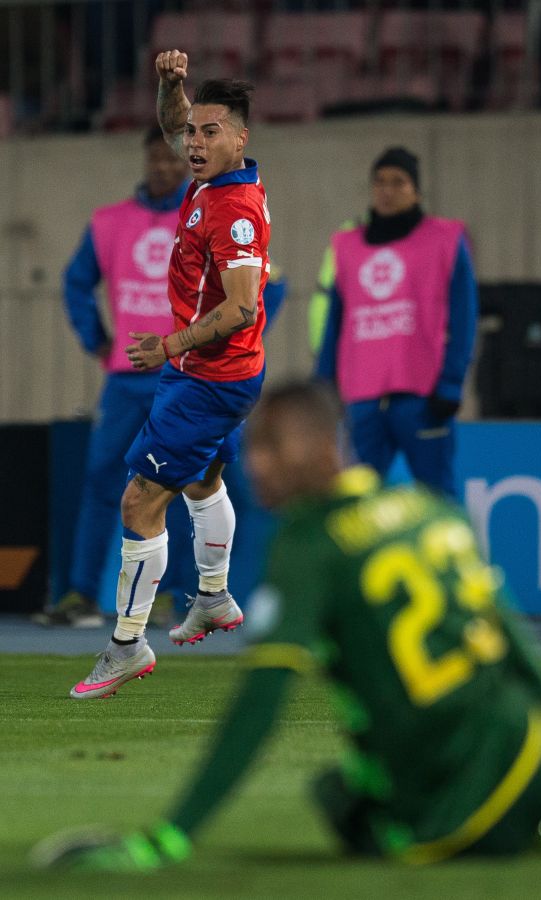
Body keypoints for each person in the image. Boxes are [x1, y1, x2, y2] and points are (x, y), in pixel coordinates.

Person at [34, 380, 541, 869]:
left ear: (326, 445)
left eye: (272, 447)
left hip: (459, 817)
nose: (255, 465)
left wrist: (168, 837)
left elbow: (261, 704)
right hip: (536, 755)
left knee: (341, 798)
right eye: (256, 448)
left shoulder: (309, 544)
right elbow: (520, 652)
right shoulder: (431, 509)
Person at [69, 50, 272, 700]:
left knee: (139, 500)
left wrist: (170, 344)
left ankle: (127, 643)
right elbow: (171, 123)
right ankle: (213, 597)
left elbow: (241, 305)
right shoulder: (209, 180)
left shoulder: (231, 210)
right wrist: (169, 85)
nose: (193, 141)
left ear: (241, 138)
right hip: (216, 373)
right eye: (193, 131)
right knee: (203, 477)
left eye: (210, 132)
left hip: (206, 373)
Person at [36, 126, 194, 629]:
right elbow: (76, 281)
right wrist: (96, 339)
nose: (165, 169)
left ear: (187, 163)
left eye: (174, 161)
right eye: (156, 159)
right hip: (126, 376)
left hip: (183, 375)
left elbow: (261, 286)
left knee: (188, 484)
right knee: (102, 480)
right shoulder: (110, 223)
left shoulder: (206, 218)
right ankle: (80, 594)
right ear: (145, 161)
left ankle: (179, 595)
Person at [315, 146, 478, 497]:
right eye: (380, 182)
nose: (387, 190)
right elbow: (335, 323)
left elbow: (465, 317)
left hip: (423, 397)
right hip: (362, 399)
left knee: (438, 497)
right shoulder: (347, 246)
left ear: (417, 191)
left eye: (398, 182)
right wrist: (323, 385)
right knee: (357, 501)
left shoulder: (446, 240)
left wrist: (451, 384)